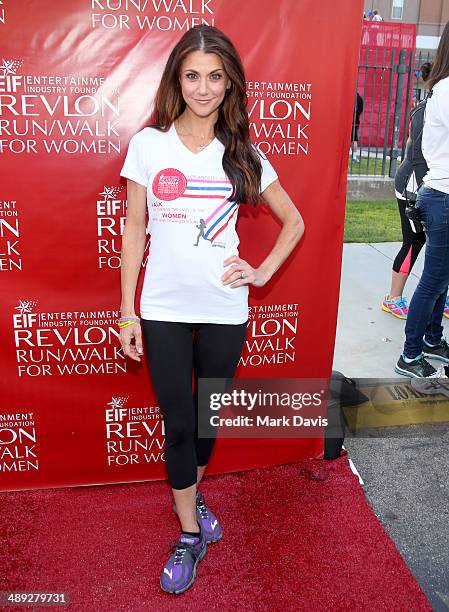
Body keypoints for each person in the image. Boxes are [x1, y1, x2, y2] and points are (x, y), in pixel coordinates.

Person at [118, 24, 304, 594]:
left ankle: (191, 503)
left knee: (206, 419)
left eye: (214, 77)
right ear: (178, 77)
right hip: (163, 307)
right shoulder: (149, 145)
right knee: (178, 421)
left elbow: (294, 222)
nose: (202, 88)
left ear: (230, 84)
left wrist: (262, 271)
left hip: (226, 308)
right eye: (192, 75)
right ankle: (189, 534)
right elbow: (132, 229)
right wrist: (127, 311)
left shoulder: (242, 152)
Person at [395, 21, 449, 378]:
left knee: (440, 279)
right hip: (442, 197)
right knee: (433, 280)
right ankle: (410, 356)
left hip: (442, 195)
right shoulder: (445, 90)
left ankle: (431, 340)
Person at [382, 63, 431, 320]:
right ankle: (393, 298)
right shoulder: (425, 111)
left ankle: (441, 299)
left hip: (429, 185)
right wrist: (424, 193)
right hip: (414, 185)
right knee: (415, 240)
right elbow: (417, 157)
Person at [350, 92, 364, 163]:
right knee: (353, 140)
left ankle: (354, 157)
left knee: (352, 140)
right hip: (354, 122)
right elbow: (360, 110)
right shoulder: (358, 97)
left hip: (349, 122)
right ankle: (354, 157)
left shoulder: (346, 96)